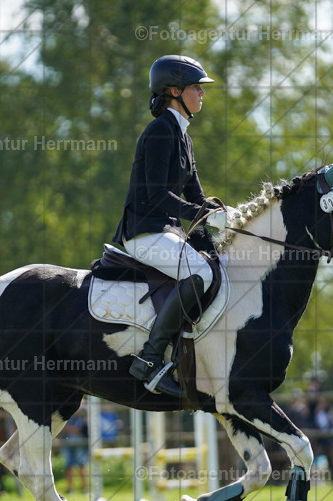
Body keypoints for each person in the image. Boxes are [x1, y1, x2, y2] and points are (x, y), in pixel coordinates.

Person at [113, 55, 236, 398]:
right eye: (196, 87)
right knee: (202, 273)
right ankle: (150, 360)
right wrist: (200, 213)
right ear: (174, 91)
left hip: (167, 232)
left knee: (218, 264)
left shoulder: (183, 136)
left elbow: (196, 195)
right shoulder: (159, 132)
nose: (202, 93)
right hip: (144, 232)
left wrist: (225, 217)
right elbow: (156, 195)